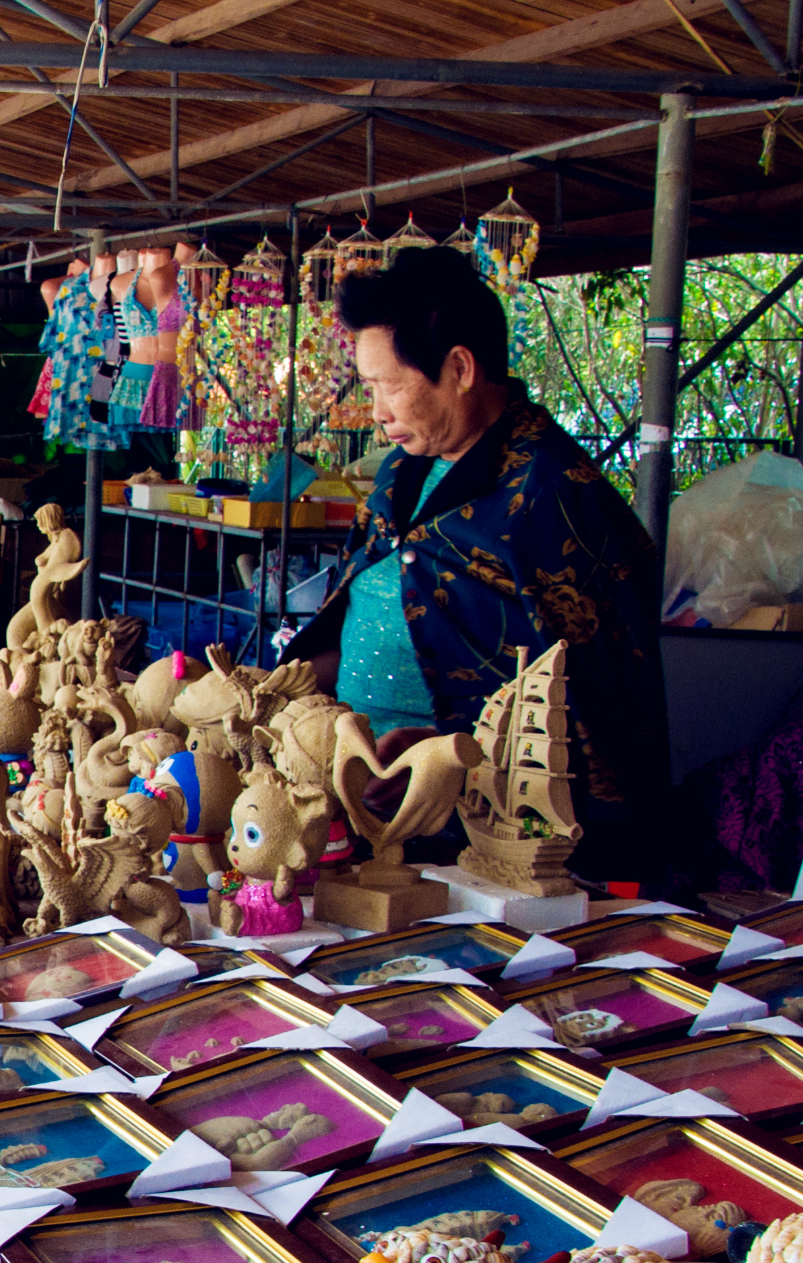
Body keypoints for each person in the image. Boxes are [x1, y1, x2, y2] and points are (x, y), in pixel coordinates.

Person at [282, 244, 669, 883]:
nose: (377, 412)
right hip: (358, 806)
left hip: (478, 840)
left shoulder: (555, 498)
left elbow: (593, 707)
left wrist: (452, 753)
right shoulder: (404, 473)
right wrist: (284, 690)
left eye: (390, 387)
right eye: (369, 387)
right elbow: (367, 608)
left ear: (459, 368)